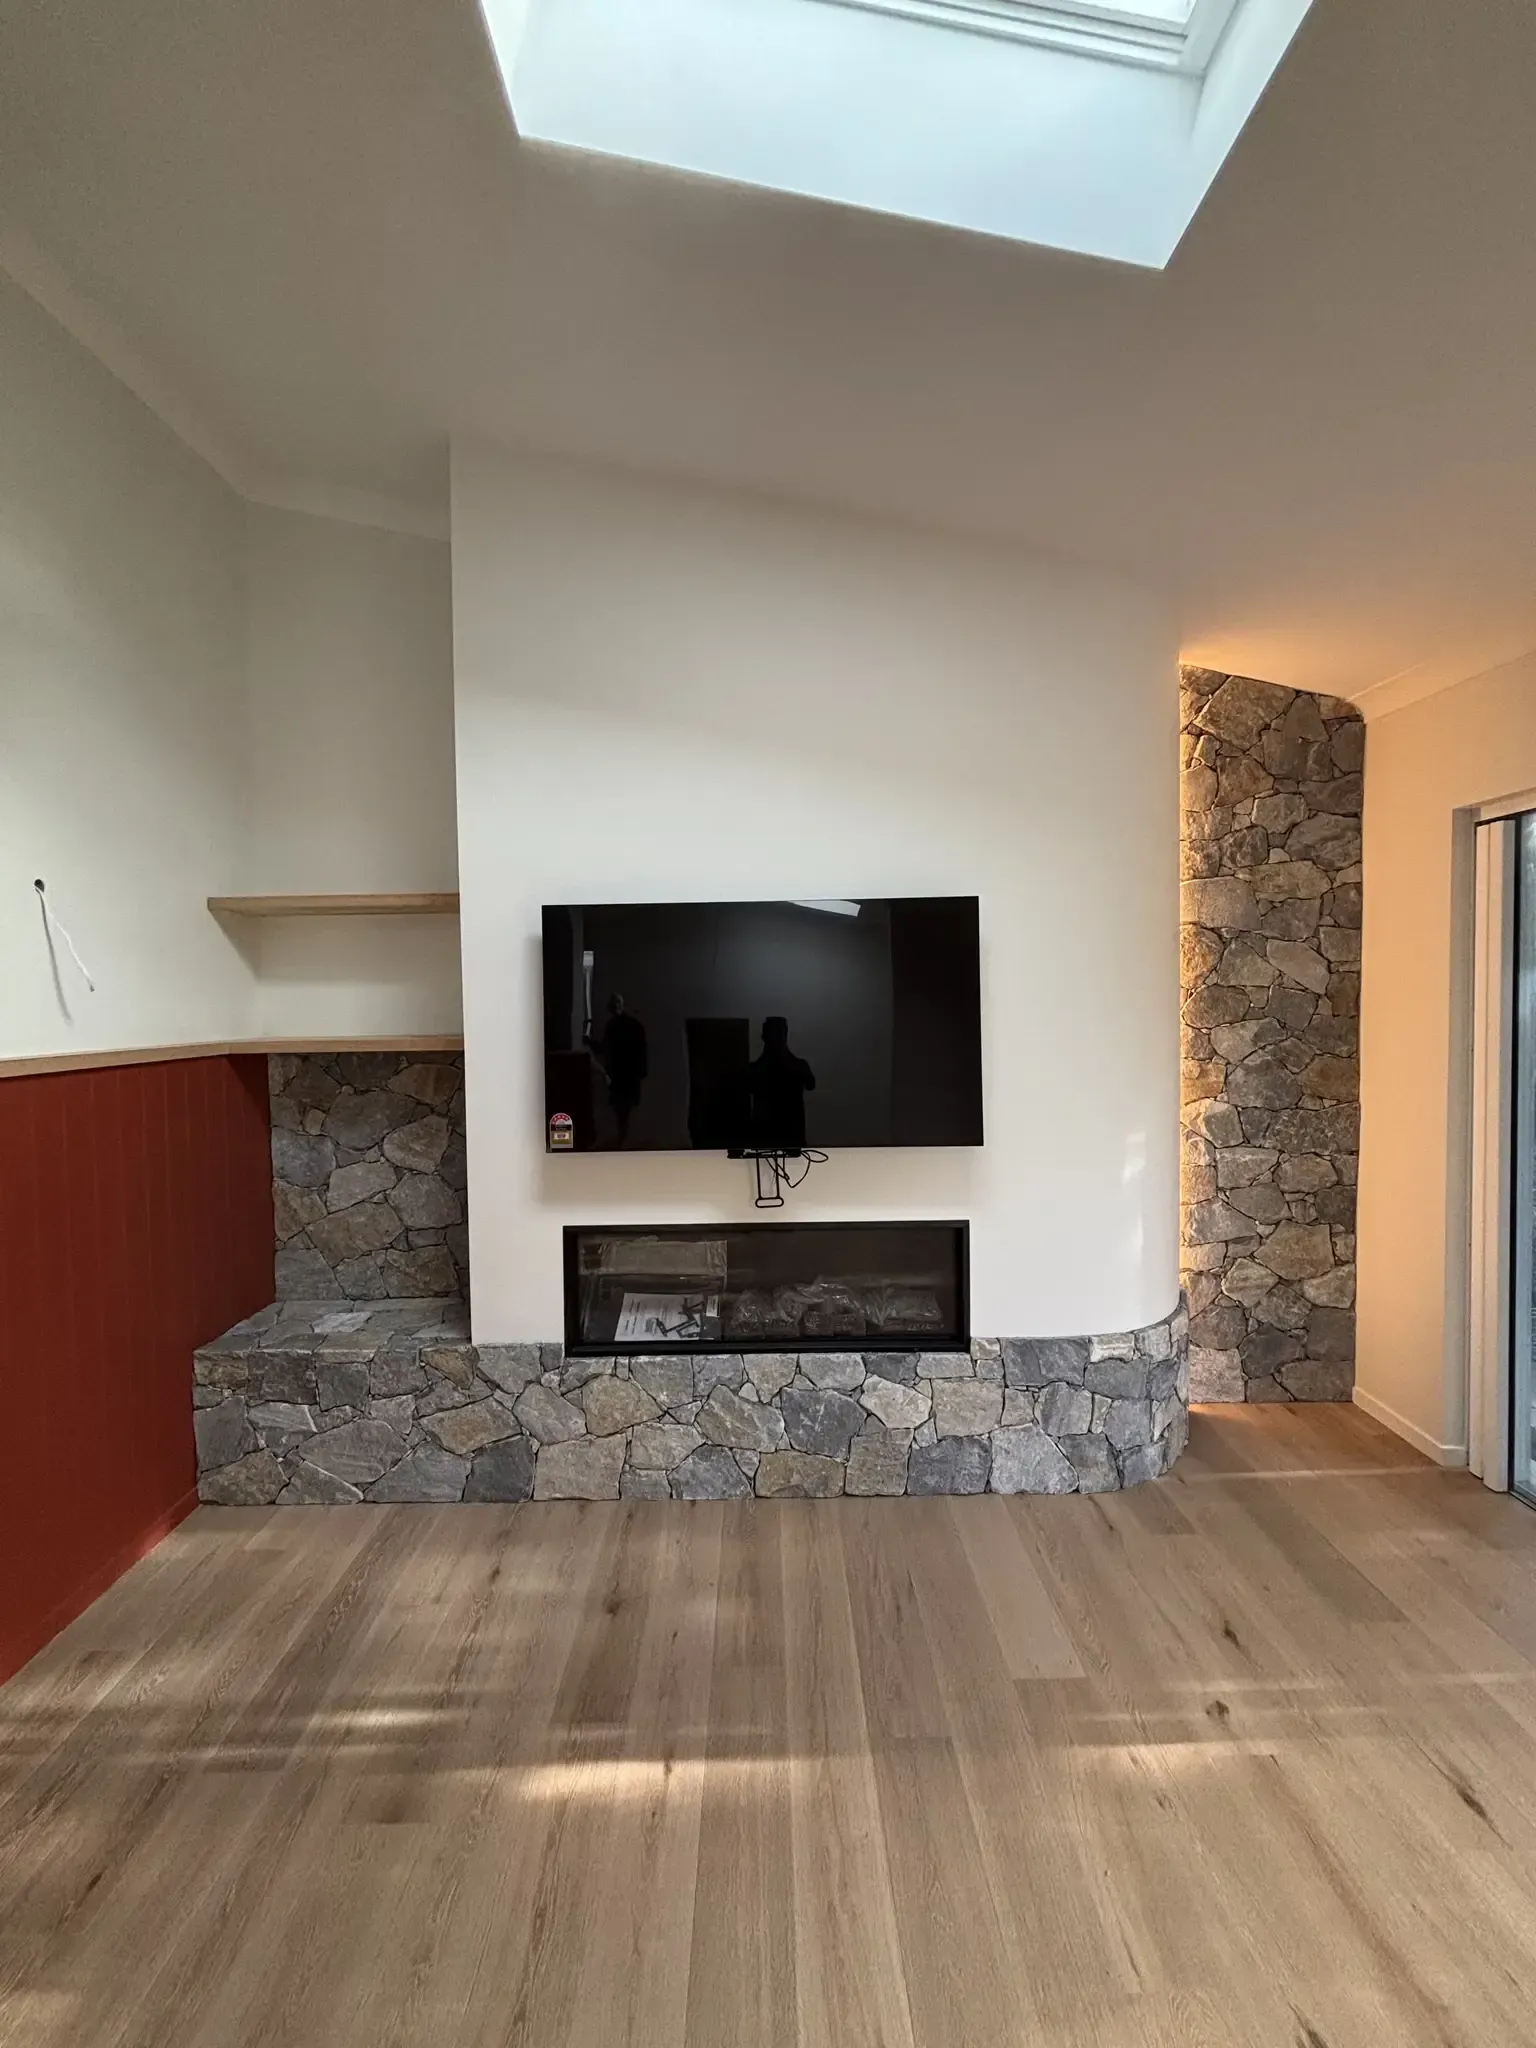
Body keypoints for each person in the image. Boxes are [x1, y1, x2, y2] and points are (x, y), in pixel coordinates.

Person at [587, 993, 648, 1146]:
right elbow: (641, 1049)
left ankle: (623, 1139)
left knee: (621, 1109)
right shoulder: (633, 1025)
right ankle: (623, 1139)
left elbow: (605, 1048)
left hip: (620, 1073)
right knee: (624, 1109)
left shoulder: (614, 1025)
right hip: (628, 1073)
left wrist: (589, 1042)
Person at [747, 1015, 815, 1152]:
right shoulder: (799, 1066)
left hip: (770, 1137)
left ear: (764, 1037)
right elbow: (810, 1085)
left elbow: (811, 1085)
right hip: (785, 1137)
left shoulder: (755, 1069)